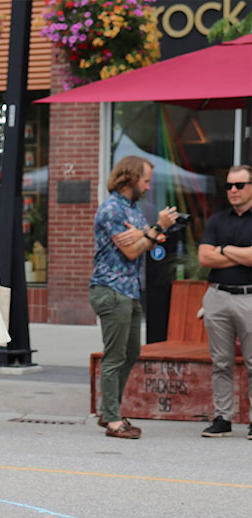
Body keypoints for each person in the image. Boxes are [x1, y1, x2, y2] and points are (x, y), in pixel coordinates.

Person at [89, 155, 177, 439]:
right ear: (130, 178)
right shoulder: (112, 209)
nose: (148, 186)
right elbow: (131, 250)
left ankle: (109, 410)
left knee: (131, 353)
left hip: (129, 289)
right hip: (111, 289)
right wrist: (155, 229)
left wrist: (146, 234)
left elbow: (146, 244)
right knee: (115, 356)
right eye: (145, 180)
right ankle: (112, 419)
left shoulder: (133, 209)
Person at [198, 165, 252, 438]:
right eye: (229, 185)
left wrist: (223, 249)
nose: (233, 190)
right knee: (221, 362)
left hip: (249, 297)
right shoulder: (217, 220)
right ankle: (223, 418)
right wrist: (240, 253)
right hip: (217, 296)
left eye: (239, 185)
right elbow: (205, 258)